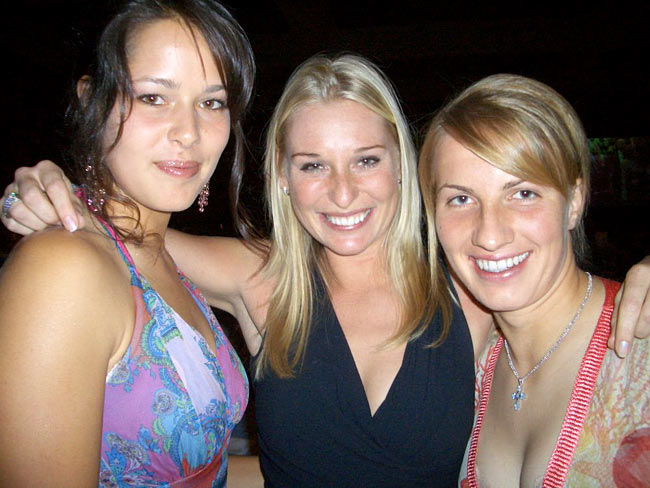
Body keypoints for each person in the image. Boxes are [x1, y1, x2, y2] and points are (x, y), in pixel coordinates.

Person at [3, 55, 650, 486]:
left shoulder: (473, 286)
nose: (342, 193)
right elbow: (122, 234)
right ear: (282, 180)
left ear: (404, 165)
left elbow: (571, 302)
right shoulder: (263, 280)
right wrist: (53, 187)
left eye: (366, 160)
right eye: (312, 165)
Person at [0, 0, 256, 486]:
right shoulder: (63, 267)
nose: (189, 132)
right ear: (91, 101)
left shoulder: (162, 258)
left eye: (212, 102)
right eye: (154, 98)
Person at [418, 73, 650, 486]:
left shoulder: (639, 353)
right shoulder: (463, 368)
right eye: (460, 199)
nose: (489, 234)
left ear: (574, 201)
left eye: (522, 193)